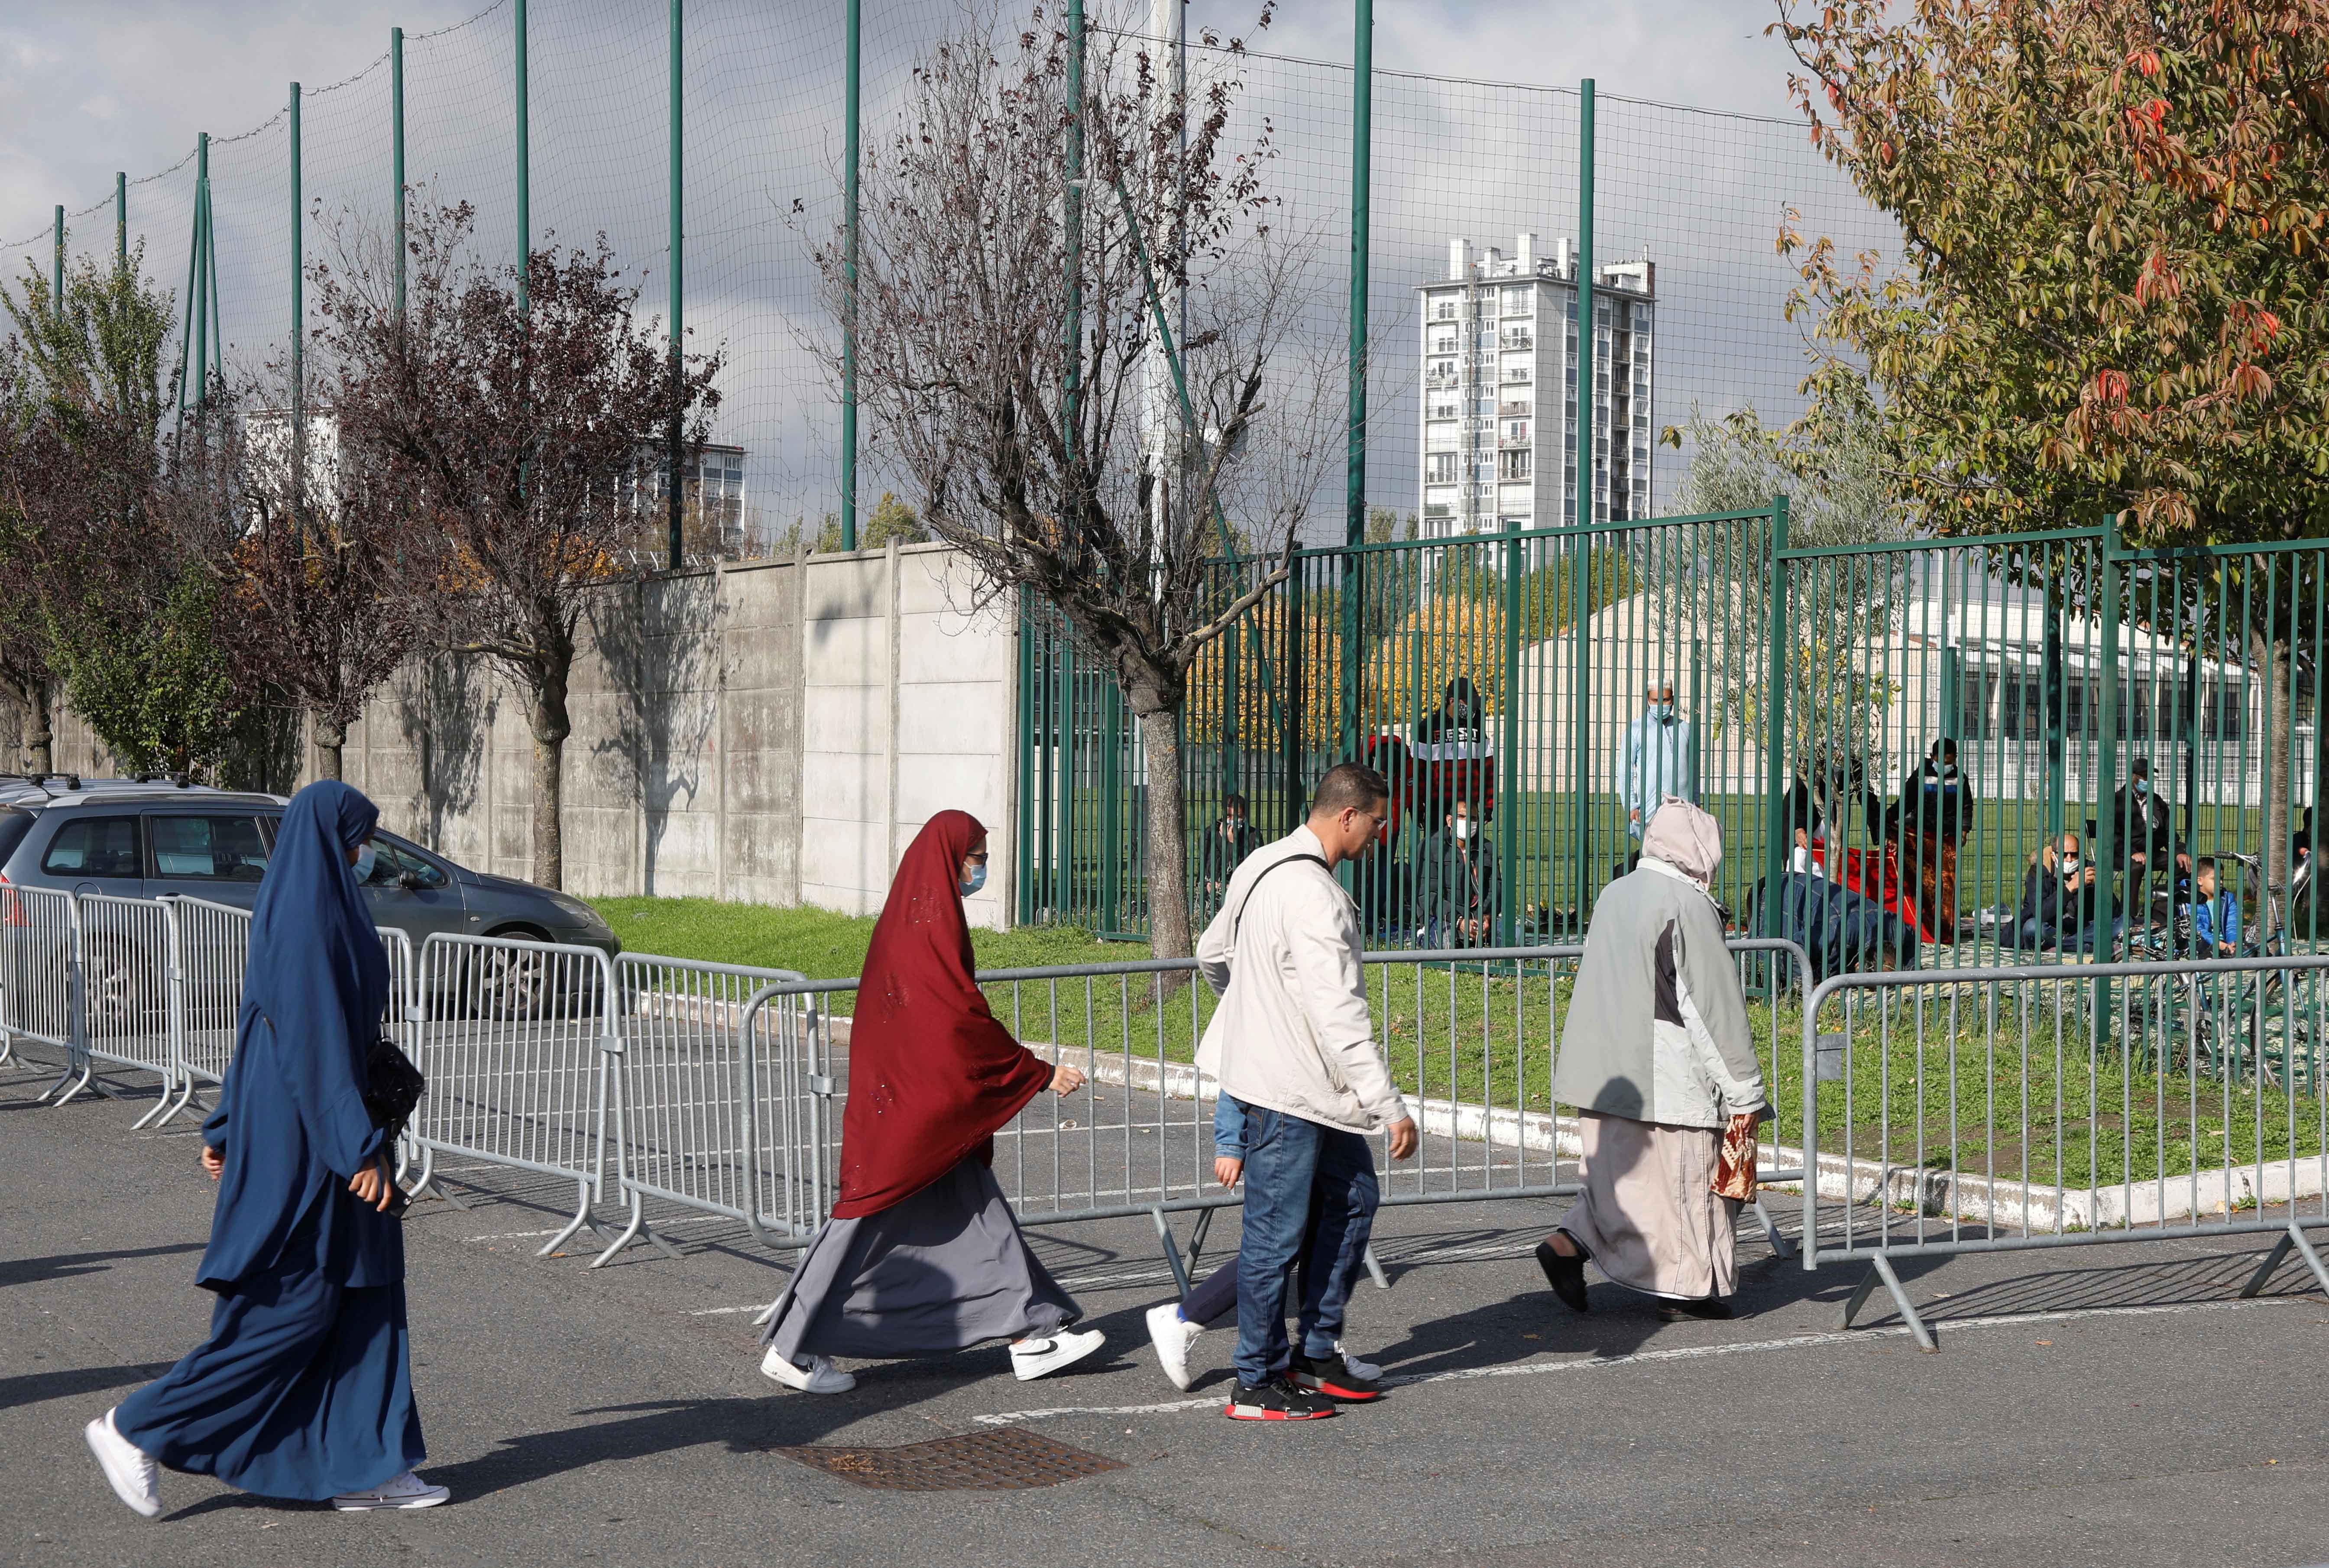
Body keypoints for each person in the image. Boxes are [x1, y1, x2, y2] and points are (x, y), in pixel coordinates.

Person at [83, 781, 444, 1517]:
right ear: (330, 838)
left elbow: (258, 1029)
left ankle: (366, 1465)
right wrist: (358, 1152)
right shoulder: (311, 918)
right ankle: (136, 1427)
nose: (364, 850)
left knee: (366, 1299)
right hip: (313, 1146)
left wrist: (222, 1126)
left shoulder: (318, 905)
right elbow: (306, 1045)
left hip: (320, 1131)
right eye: (358, 835)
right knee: (294, 1309)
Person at [758, 810, 1104, 1394]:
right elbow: (958, 1023)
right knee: (859, 1221)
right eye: (977, 857)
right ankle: (792, 1347)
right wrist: (1036, 1073)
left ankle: (1034, 1333)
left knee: (977, 1215)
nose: (982, 869)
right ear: (951, 859)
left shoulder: (915, 917)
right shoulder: (929, 927)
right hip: (916, 1111)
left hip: (912, 1106)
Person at [1195, 761, 1420, 1420]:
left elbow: (1213, 954)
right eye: (1378, 822)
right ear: (1348, 815)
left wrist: (1251, 1014)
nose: (1381, 835)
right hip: (1288, 1093)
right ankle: (1255, 1381)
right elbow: (1338, 1012)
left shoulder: (1259, 864)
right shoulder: (1315, 896)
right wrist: (1390, 1105)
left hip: (1303, 1087)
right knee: (1275, 1237)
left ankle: (1315, 1352)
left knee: (1353, 1201)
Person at [1536, 800, 1765, 1322]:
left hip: (1600, 1071)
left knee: (1619, 1183)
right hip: (1665, 1076)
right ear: (1701, 850)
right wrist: (1744, 1090)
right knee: (1685, 1184)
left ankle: (1568, 1243)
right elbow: (1709, 1007)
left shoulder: (1615, 892)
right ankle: (1686, 1287)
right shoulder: (1686, 904)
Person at [1140, 1089, 1383, 1393]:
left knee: (1346, 1208)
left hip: (1325, 1108)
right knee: (1280, 1238)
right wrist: (1229, 1142)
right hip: (1286, 1108)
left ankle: (1317, 1353)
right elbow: (1240, 1063)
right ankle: (1192, 1323)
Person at [1414, 797, 1497, 947]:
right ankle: (1424, 934)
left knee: (1513, 937)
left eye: (1473, 818)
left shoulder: (1487, 848)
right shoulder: (1431, 847)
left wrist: (1486, 916)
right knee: (1447, 943)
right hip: (1443, 917)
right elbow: (1427, 895)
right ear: (1450, 821)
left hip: (1476, 917)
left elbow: (1495, 888)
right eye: (1462, 816)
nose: (1468, 822)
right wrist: (1459, 920)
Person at [1621, 683, 1695, 843]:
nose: (1661, 705)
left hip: (1683, 807)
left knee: (1682, 857)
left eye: (1665, 700)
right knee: (1652, 856)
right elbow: (1625, 771)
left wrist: (1696, 801)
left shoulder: (1685, 728)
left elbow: (1693, 768)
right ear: (1648, 700)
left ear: (1673, 700)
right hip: (1651, 807)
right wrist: (1631, 805)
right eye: (1655, 701)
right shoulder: (1636, 729)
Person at [2010, 832, 2102, 953]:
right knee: (2032, 927)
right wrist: (2071, 887)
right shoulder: (2038, 872)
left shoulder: (2089, 870)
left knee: (2123, 924)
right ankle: (2082, 946)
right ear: (2054, 856)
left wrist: (2099, 885)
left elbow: (2112, 913)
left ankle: (2063, 946)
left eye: (2074, 855)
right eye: (2064, 854)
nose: (2069, 859)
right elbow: (2041, 913)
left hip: (2081, 929)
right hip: (2050, 929)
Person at [1199, 791, 1260, 907]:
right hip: (1215, 893)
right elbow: (1210, 867)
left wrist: (1231, 843)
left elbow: (1249, 869)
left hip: (1243, 894)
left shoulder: (1253, 836)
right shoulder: (1211, 833)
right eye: (1229, 816)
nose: (1233, 820)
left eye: (1238, 817)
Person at [2186, 856, 2242, 958]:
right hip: (2202, 946)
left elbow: (2232, 925)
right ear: (2200, 881)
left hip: (2225, 944)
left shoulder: (2228, 899)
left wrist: (2233, 942)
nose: (2220, 882)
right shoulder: (2190, 900)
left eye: (2222, 878)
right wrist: (2217, 944)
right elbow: (2197, 929)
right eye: (2215, 879)